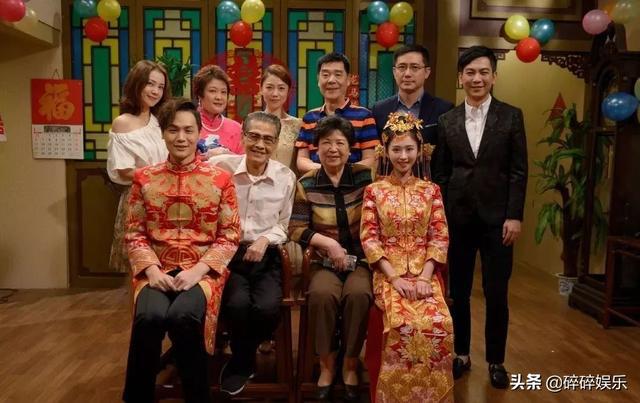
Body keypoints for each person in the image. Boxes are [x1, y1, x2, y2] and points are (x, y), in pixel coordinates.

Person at [123, 98, 241, 403]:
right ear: (163, 133)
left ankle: (197, 397)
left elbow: (230, 236)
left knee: (183, 317)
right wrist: (152, 271)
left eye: (189, 130)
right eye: (173, 130)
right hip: (156, 268)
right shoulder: (144, 179)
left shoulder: (220, 180)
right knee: (149, 317)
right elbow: (134, 233)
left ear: (199, 133)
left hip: (203, 270)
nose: (181, 137)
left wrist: (198, 271)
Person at [432, 45, 528, 389]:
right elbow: (441, 174)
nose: (477, 78)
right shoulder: (447, 120)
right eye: (470, 72)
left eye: (484, 72)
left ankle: (496, 360)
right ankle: (461, 354)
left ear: (494, 77)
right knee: (458, 291)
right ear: (461, 78)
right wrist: (441, 217)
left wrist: (514, 216)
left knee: (496, 292)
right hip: (457, 219)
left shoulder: (511, 116)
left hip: (498, 221)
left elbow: (518, 171)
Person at [361, 112, 453, 402]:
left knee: (438, 322)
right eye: (397, 149)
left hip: (426, 273)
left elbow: (439, 236)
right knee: (400, 323)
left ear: (420, 150)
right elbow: (369, 238)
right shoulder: (374, 191)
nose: (403, 156)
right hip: (389, 273)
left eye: (409, 149)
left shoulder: (431, 191)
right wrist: (394, 278)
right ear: (385, 151)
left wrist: (425, 277)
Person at [208, 111, 296, 396]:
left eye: (268, 139)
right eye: (254, 136)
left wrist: (263, 239)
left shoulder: (285, 177)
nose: (260, 144)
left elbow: (283, 225)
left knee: (268, 307)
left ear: (276, 143)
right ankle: (243, 361)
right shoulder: (220, 168)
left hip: (266, 255)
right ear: (242, 137)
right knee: (236, 305)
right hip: (228, 254)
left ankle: (241, 356)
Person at [289, 115, 372, 402]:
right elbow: (296, 228)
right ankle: (327, 363)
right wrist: (328, 244)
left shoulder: (365, 177)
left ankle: (350, 362)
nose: (333, 149)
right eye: (326, 143)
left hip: (361, 260)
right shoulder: (307, 183)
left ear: (350, 149)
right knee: (322, 295)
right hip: (323, 261)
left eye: (340, 143)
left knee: (359, 295)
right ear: (316, 148)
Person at [107, 60, 170, 273]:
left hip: (166, 196)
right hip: (138, 198)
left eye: (160, 87)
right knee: (138, 265)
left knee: (165, 261)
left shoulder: (161, 120)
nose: (155, 91)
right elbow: (125, 170)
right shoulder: (123, 122)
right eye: (150, 84)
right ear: (137, 83)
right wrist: (160, 174)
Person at [371, 44, 453, 178]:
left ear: (427, 72)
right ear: (394, 72)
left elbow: (446, 159)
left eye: (414, 67)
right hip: (388, 186)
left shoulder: (444, 109)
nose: (407, 74)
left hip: (430, 185)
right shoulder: (379, 110)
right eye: (402, 67)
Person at [295, 52, 379, 174]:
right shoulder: (309, 118)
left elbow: (371, 160)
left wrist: (342, 174)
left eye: (338, 74)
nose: (331, 80)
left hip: (353, 184)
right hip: (317, 184)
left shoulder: (364, 116)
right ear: (318, 80)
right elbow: (302, 160)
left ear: (348, 80)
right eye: (325, 75)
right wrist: (327, 172)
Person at [192, 64, 243, 157]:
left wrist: (227, 155)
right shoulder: (188, 124)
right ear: (200, 94)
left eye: (223, 92)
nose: (219, 97)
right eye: (212, 91)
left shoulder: (237, 128)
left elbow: (244, 163)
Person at [259, 64, 302, 171]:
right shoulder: (251, 123)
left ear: (288, 91)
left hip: (289, 180)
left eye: (281, 88)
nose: (275, 94)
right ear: (261, 89)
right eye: (269, 87)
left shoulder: (298, 125)